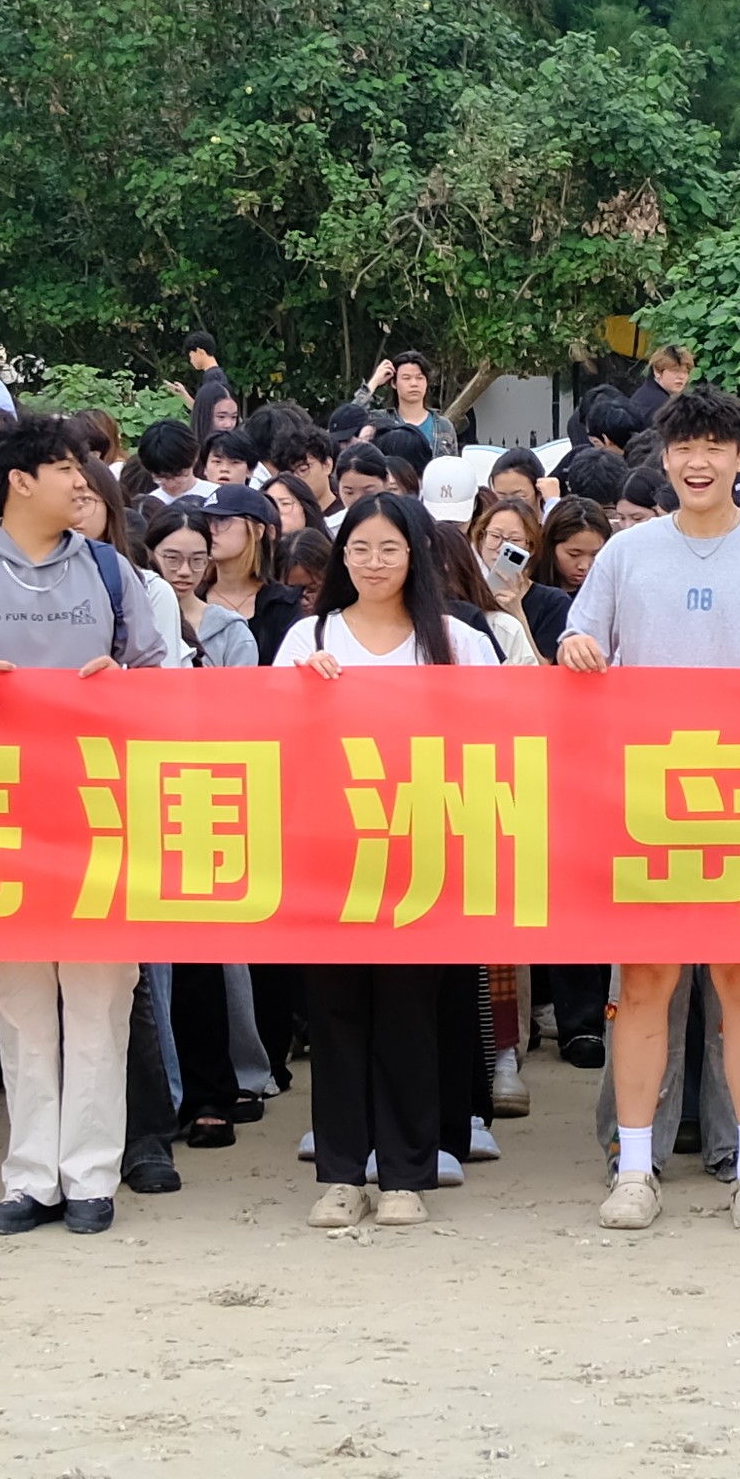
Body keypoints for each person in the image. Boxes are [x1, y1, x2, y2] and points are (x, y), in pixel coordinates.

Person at [552, 387, 740, 1233]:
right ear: (666, 457)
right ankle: (634, 1167)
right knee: (645, 983)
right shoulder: (628, 552)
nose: (699, 461)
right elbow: (579, 644)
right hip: (647, 798)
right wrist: (577, 648)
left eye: (716, 447)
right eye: (685, 447)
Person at [0, 421, 175, 1236]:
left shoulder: (111, 571)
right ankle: (30, 1178)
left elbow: (161, 678)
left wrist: (120, 683)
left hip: (98, 815)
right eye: (65, 469)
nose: (82, 483)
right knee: (18, 1005)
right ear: (19, 481)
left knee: (99, 1002)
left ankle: (91, 1177)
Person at [280, 495, 502, 1224]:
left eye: (389, 549)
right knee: (336, 1011)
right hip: (331, 855)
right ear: (340, 556)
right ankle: (343, 1173)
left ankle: (407, 1174)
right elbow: (269, 736)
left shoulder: (456, 639)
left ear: (416, 556)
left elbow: (498, 733)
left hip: (422, 850)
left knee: (412, 1012)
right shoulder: (308, 637)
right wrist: (302, 694)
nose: (373, 564)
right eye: (360, 549)